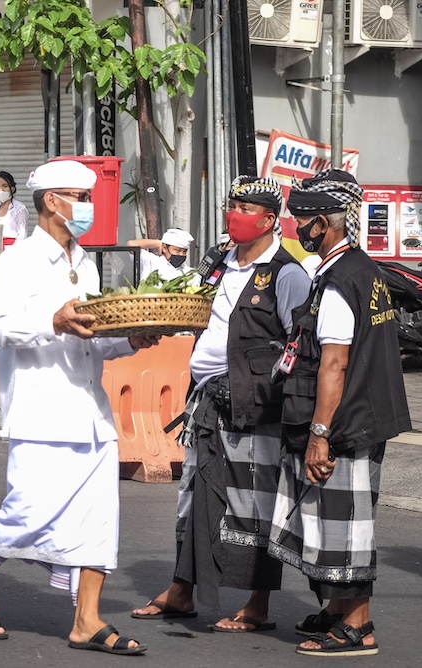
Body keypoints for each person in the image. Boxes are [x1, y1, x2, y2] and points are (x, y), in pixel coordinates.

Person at [0, 160, 158, 656]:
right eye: (78, 197)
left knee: (97, 519)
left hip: (90, 411)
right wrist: (54, 321)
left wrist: (128, 339)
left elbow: (92, 343)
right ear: (50, 201)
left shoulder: (83, 263)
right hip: (41, 409)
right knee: (26, 510)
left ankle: (86, 619)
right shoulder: (16, 262)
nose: (87, 208)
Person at [131, 175, 311, 630]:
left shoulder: (287, 273)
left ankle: (257, 604)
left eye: (246, 209)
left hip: (256, 406)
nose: (236, 214)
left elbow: (300, 344)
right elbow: (192, 307)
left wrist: (266, 386)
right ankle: (181, 590)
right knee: (194, 496)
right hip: (206, 399)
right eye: (233, 206)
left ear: (270, 220)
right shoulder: (220, 262)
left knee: (253, 503)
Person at [268, 170, 411, 657]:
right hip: (366, 413)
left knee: (344, 524)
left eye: (302, 220)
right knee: (331, 519)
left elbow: (334, 361)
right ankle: (335, 609)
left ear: (325, 223)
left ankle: (358, 626)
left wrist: (320, 434)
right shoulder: (362, 269)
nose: (296, 228)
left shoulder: (338, 280)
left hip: (345, 421)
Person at [127, 227, 194, 281]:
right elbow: (131, 245)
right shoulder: (151, 261)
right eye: (177, 250)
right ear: (165, 248)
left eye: (184, 251)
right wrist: (157, 243)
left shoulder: (189, 272)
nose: (181, 254)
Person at [0, 171, 29, 248]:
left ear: (12, 188)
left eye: (5, 186)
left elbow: (22, 235)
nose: (0, 190)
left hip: (11, 251)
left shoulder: (19, 208)